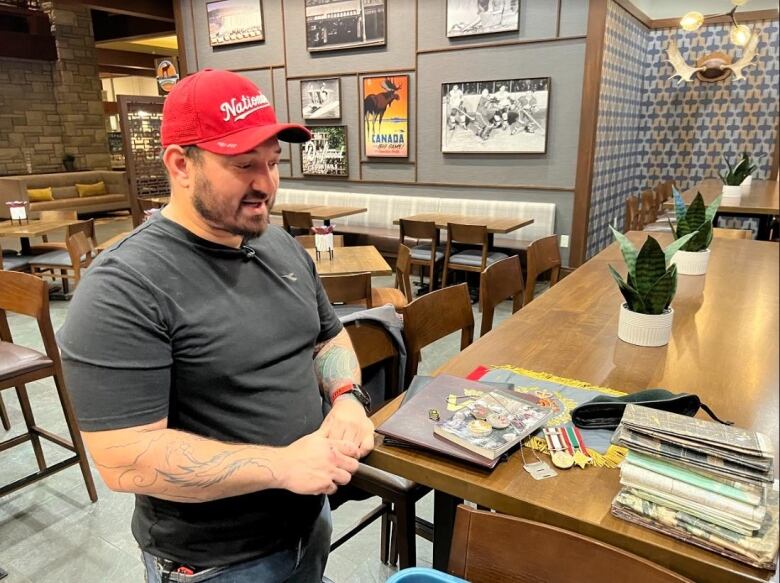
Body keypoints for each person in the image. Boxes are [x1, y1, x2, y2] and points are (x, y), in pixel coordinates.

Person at [57, 68, 375, 583]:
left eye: (273, 163)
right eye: (244, 165)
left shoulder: (277, 243)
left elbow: (326, 335)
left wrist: (346, 396)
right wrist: (283, 466)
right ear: (181, 165)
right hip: (216, 563)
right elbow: (123, 458)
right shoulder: (124, 286)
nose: (266, 185)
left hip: (308, 524)